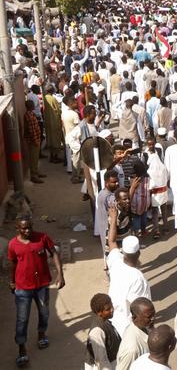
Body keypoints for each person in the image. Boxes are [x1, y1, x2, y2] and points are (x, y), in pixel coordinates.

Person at [8, 214, 65, 368]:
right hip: (22, 288)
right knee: (22, 319)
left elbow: (54, 253)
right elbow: (13, 263)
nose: (28, 231)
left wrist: (60, 274)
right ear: (18, 228)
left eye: (30, 227)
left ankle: (41, 334)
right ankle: (21, 349)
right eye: (24, 228)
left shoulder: (42, 238)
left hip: (41, 285)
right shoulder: (13, 244)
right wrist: (12, 281)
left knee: (44, 312)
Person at [106, 204, 151, 336]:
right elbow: (141, 308)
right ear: (138, 254)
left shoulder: (116, 261)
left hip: (114, 320)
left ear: (123, 252)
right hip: (128, 328)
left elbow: (112, 241)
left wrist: (113, 218)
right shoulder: (138, 277)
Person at [116, 298, 155, 370]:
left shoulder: (146, 326)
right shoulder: (132, 350)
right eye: (149, 317)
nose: (153, 318)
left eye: (153, 314)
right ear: (134, 317)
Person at [85, 293, 121, 370]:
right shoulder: (97, 332)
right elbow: (101, 361)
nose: (112, 310)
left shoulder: (105, 321)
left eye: (112, 306)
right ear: (99, 313)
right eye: (108, 309)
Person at [24, 99, 44, 183]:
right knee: (33, 158)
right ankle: (34, 176)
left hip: (35, 139)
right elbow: (32, 131)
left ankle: (36, 172)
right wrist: (36, 141)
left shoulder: (30, 114)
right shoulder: (29, 116)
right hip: (33, 141)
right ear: (30, 106)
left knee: (35, 158)